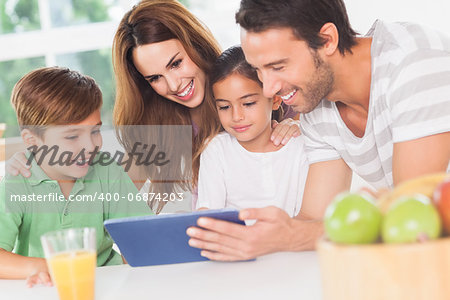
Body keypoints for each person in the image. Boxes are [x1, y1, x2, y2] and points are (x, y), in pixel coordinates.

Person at [186, 0, 450, 261]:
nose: (268, 88)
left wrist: (290, 236)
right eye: (258, 70)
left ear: (327, 40)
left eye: (277, 66)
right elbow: (314, 220)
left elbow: (409, 214)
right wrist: (272, 234)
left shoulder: (414, 63)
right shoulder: (317, 110)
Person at [6, 0, 300, 214]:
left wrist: (298, 126)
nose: (173, 84)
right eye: (155, 78)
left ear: (194, 44)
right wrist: (40, 162)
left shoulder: (254, 85)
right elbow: (108, 191)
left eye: (176, 63)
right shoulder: (160, 128)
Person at [0, 67, 153, 286]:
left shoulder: (106, 170)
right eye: (72, 136)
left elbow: (140, 238)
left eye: (94, 131)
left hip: (107, 285)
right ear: (32, 140)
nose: (90, 146)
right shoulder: (18, 181)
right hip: (46, 287)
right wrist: (46, 267)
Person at [196, 46, 308, 217]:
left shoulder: (300, 147)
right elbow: (209, 217)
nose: (236, 116)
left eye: (248, 104)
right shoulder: (216, 150)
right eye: (224, 107)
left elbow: (308, 219)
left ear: (276, 99)